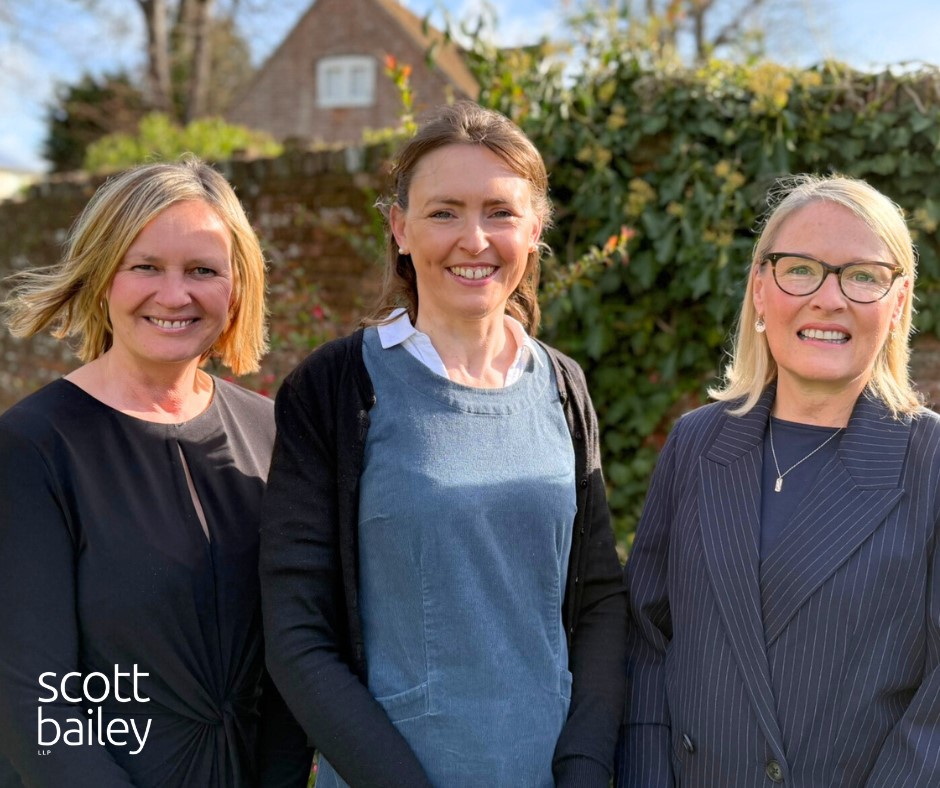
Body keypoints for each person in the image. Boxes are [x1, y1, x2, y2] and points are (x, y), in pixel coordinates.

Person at [259, 101, 627, 787]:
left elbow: (602, 597)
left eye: (500, 212)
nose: (474, 238)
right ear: (399, 227)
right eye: (444, 211)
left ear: (535, 229)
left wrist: (583, 767)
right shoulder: (336, 388)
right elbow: (296, 635)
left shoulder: (564, 386)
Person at [617, 173, 940, 787]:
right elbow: (647, 642)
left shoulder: (931, 461)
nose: (828, 298)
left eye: (862, 276)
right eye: (800, 269)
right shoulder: (696, 444)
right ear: (761, 290)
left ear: (897, 303)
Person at [0, 158, 311, 787]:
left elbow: (294, 661)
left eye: (203, 270)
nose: (175, 295)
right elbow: (36, 706)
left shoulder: (273, 435)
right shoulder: (31, 448)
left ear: (237, 287)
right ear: (101, 275)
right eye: (145, 266)